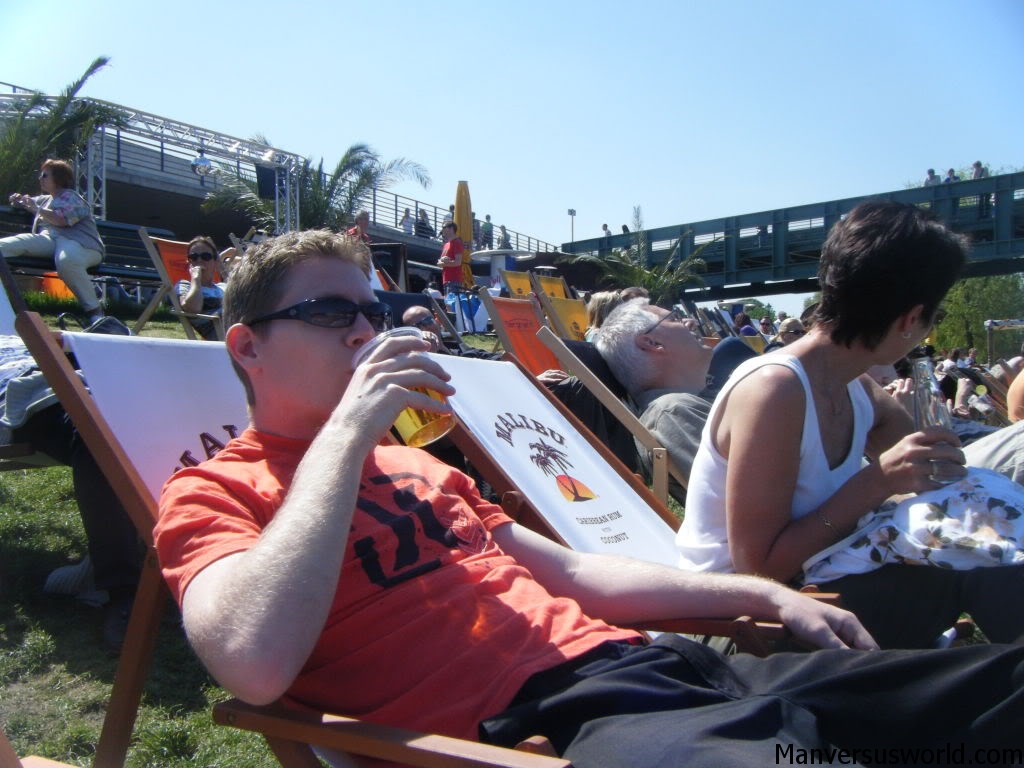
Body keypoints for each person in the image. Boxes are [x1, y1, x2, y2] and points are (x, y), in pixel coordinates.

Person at [154, 229, 1024, 765]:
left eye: (373, 310)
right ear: (248, 348)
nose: (363, 329)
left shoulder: (423, 472)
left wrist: (756, 593)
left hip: (669, 668)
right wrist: (348, 434)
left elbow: (575, 575)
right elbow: (253, 666)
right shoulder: (212, 492)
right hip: (551, 723)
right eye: (327, 313)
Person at [678, 201, 1024, 649]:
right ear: (908, 320)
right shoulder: (775, 391)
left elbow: (934, 469)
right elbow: (757, 570)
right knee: (981, 564)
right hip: (745, 626)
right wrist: (876, 482)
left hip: (813, 591)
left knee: (984, 539)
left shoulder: (855, 387)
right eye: (933, 319)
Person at [0, 334, 141, 653]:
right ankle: (122, 592)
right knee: (98, 434)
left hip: (88, 369)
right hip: (32, 392)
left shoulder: (18, 335)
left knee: (152, 413)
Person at [2, 159, 106, 324]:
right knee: (5, 247)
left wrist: (36, 209)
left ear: (58, 178)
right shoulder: (45, 200)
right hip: (51, 240)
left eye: (45, 175)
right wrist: (18, 199)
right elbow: (27, 201)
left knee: (66, 261)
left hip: (81, 243)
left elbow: (62, 220)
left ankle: (95, 313)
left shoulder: (73, 197)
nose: (40, 179)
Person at [177, 236, 228, 341]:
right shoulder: (184, 286)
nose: (199, 260)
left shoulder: (223, 287)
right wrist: (196, 280)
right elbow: (193, 308)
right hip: (222, 331)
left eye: (205, 256)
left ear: (215, 262)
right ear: (189, 262)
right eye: (194, 257)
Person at [437, 221, 465, 292]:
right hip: (446, 281)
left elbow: (458, 262)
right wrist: (442, 261)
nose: (442, 230)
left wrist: (444, 263)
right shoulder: (446, 245)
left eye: (444, 227)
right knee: (448, 302)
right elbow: (439, 262)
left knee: (452, 303)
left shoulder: (457, 242)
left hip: (454, 281)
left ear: (451, 229)